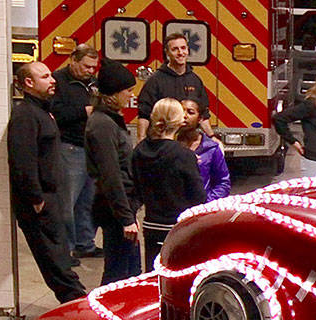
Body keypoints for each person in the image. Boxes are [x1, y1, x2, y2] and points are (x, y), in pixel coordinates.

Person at [6, 62, 86, 304]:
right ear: (28, 83)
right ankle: (76, 304)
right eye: (45, 76)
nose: (52, 80)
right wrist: (36, 198)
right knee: (55, 261)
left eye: (51, 75)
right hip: (39, 202)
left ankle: (77, 302)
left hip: (51, 198)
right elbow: (22, 160)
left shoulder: (41, 112)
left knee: (60, 255)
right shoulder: (25, 115)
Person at [85, 61, 142, 284]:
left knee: (130, 271)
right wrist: (126, 218)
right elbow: (110, 174)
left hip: (123, 207)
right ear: (114, 93)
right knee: (118, 274)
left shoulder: (110, 121)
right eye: (128, 90)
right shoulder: (102, 125)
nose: (131, 94)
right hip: (115, 211)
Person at [133, 98, 207, 267]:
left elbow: (136, 187)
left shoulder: (140, 150)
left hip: (151, 225)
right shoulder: (183, 155)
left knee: (153, 274)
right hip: (178, 227)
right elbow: (198, 196)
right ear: (178, 121)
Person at [49, 44, 101, 259]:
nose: (90, 71)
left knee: (87, 201)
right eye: (86, 67)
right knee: (66, 203)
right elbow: (54, 113)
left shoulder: (93, 84)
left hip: (90, 149)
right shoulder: (57, 82)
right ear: (73, 60)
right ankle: (65, 250)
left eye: (93, 68)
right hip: (69, 148)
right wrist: (83, 111)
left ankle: (85, 244)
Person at [136, 32, 211, 140]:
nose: (180, 53)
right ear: (167, 52)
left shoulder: (195, 80)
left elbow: (203, 114)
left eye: (183, 48)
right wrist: (141, 140)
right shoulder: (155, 80)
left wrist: (212, 136)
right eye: (175, 49)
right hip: (162, 140)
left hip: (188, 140)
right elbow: (144, 114)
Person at [177, 98, 230, 201]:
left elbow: (223, 183)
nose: (184, 116)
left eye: (190, 112)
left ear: (200, 118)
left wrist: (206, 203)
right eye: (180, 111)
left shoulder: (211, 148)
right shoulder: (168, 145)